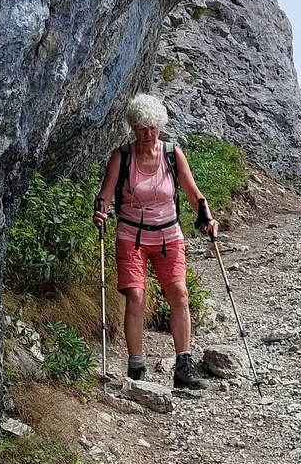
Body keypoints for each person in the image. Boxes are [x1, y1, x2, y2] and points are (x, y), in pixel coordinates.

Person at [93, 93, 217, 390]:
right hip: (131, 236)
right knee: (136, 296)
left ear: (160, 126)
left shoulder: (172, 154)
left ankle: (183, 365)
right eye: (142, 128)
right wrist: (100, 212)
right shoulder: (122, 156)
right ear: (133, 127)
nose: (148, 134)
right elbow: (104, 195)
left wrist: (208, 218)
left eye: (153, 127)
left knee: (179, 293)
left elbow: (193, 193)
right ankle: (136, 367)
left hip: (168, 235)